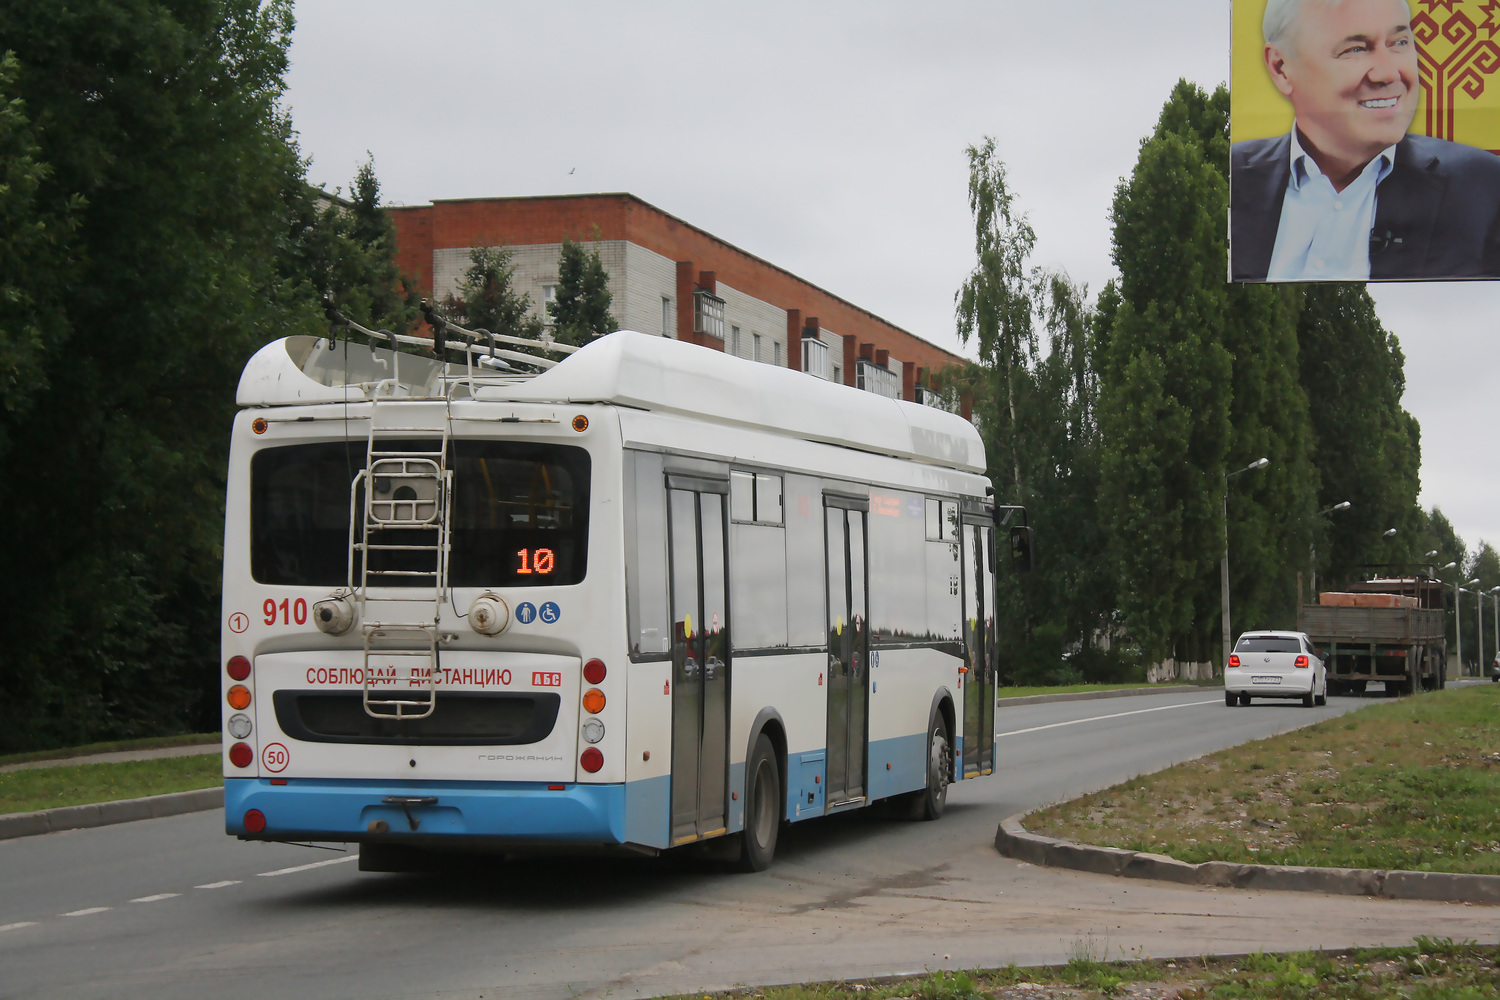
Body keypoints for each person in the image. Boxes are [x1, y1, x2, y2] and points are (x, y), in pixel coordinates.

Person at [1231, 0, 1500, 281]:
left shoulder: (1484, 189)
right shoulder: (1230, 178)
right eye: (1355, 49)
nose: (1387, 73)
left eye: (1399, 42)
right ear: (1281, 67)